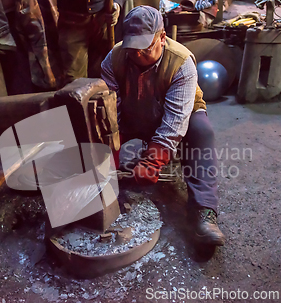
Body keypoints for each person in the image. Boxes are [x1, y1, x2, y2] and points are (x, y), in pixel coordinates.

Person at [101, 5, 225, 246]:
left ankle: (204, 211)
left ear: (162, 38)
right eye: (132, 48)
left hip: (173, 116)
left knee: (201, 131)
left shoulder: (182, 63)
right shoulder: (113, 59)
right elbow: (109, 115)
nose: (137, 55)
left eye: (145, 48)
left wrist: (153, 160)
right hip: (132, 114)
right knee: (96, 146)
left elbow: (175, 121)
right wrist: (109, 155)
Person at [57, 0, 125, 86]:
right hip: (72, 19)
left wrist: (117, 3)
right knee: (76, 84)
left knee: (105, 77)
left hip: (104, 16)